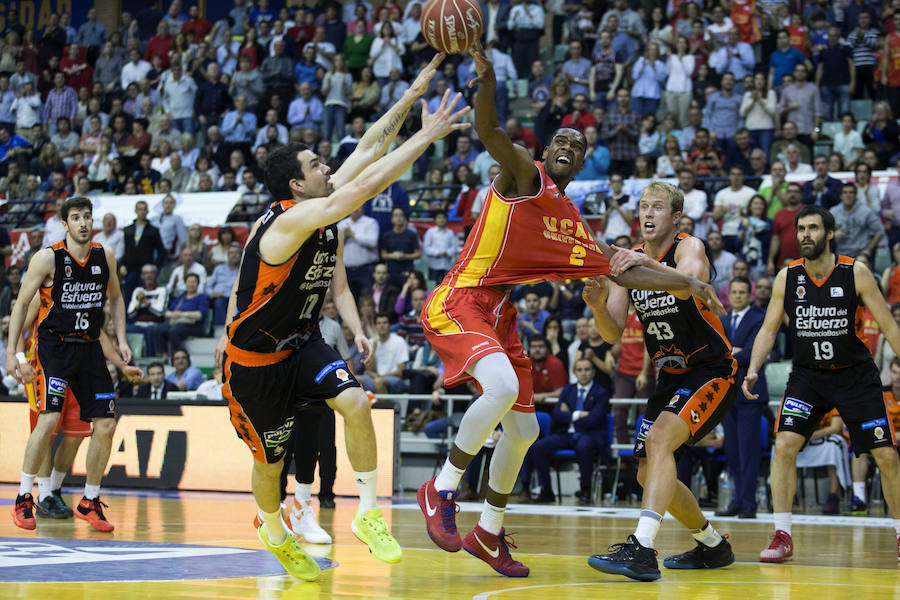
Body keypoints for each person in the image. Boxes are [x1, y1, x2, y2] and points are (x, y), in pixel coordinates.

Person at [418, 43, 722, 578]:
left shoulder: (571, 223)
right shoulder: (524, 175)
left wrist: (689, 285)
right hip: (463, 296)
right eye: (559, 138)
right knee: (503, 390)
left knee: (525, 430)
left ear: (584, 162)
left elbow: (623, 271)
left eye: (575, 144)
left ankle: (489, 530)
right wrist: (486, 82)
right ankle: (441, 488)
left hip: (500, 315)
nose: (565, 145)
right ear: (546, 149)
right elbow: (490, 133)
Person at [213, 54, 469, 581]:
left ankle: (369, 513)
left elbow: (369, 147)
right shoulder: (288, 225)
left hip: (301, 341)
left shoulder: (318, 206)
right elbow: (364, 185)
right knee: (270, 462)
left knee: (355, 401)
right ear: (297, 188)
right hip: (255, 361)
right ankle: (273, 529)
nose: (328, 166)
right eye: (316, 166)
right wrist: (426, 138)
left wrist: (412, 91)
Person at [585, 182, 736, 582]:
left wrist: (629, 267)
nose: (647, 214)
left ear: (676, 217)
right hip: (669, 377)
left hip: (711, 369)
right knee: (645, 472)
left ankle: (642, 547)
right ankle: (712, 545)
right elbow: (612, 333)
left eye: (657, 207)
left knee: (658, 442)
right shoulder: (630, 260)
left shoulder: (691, 247)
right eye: (642, 207)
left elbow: (684, 284)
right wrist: (600, 305)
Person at [743, 204, 900, 563]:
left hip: (854, 375)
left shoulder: (855, 272)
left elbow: (889, 326)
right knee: (784, 445)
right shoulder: (787, 277)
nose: (805, 235)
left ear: (829, 234)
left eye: (813, 228)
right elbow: (768, 328)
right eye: (801, 229)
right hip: (808, 376)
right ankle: (782, 534)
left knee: (886, 455)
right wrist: (753, 368)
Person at [8, 197, 131, 533]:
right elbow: (20, 306)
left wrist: (121, 340)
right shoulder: (48, 258)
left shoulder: (104, 256)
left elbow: (117, 299)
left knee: (105, 426)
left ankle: (90, 500)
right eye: (76, 217)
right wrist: (11, 354)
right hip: (54, 348)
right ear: (64, 224)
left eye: (87, 217)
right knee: (47, 423)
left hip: (89, 347)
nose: (83, 223)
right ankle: (23, 496)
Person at [715, 277, 767, 519]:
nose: (737, 295)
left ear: (750, 296)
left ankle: (749, 503)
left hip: (750, 393)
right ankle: (737, 500)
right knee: (732, 450)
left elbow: (752, 353)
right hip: (726, 393)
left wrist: (731, 353)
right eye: (734, 292)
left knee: (748, 450)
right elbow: (716, 350)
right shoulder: (722, 320)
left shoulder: (759, 319)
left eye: (742, 292)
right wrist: (734, 352)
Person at [530, 358, 610, 504]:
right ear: (574, 372)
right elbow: (557, 415)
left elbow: (595, 419)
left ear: (593, 372)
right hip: (566, 434)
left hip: (589, 435)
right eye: (579, 370)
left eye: (587, 369)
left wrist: (569, 414)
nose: (583, 373)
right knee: (538, 447)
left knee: (583, 446)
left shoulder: (601, 392)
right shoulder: (568, 390)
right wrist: (579, 414)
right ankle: (546, 490)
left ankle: (585, 490)